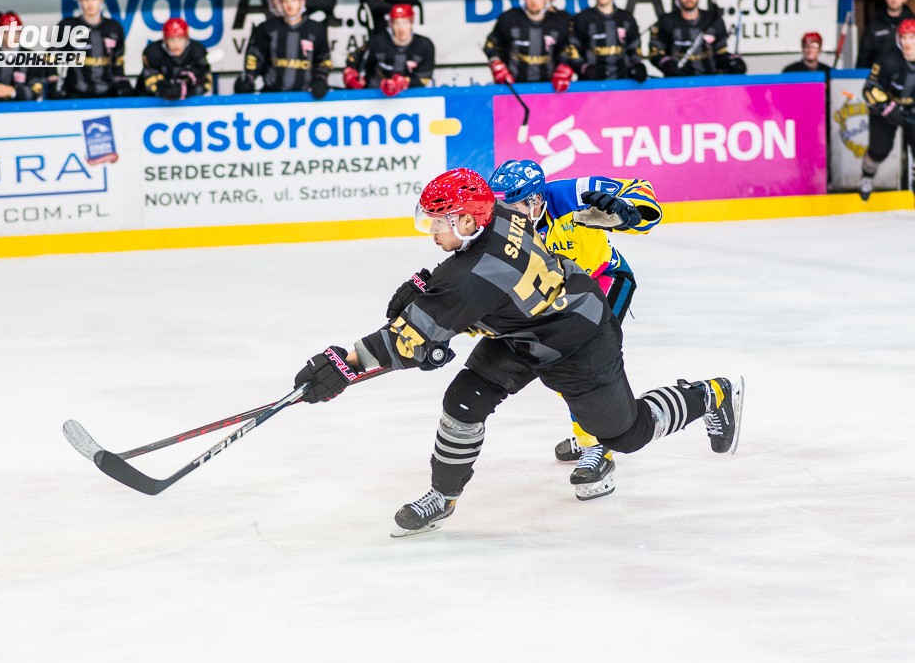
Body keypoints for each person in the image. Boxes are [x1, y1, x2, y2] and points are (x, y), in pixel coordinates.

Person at [292, 168, 744, 537]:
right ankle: (443, 497)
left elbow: (405, 343)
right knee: (463, 402)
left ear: (467, 222)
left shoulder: (472, 277)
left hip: (579, 337)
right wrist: (435, 306)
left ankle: (711, 395)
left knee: (627, 435)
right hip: (523, 332)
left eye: (439, 220)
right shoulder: (504, 213)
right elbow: (477, 292)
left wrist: (342, 365)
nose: (432, 230)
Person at [487, 160, 661, 500]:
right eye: (502, 206)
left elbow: (641, 192)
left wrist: (628, 213)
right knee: (561, 367)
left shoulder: (570, 194)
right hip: (563, 297)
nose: (508, 214)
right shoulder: (503, 227)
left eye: (516, 205)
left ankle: (597, 443)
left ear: (537, 200)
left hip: (604, 280)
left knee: (585, 365)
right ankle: (591, 429)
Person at [859, 18, 915, 202]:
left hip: (912, 110)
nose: (907, 43)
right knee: (879, 150)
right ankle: (867, 176)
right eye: (904, 38)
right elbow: (869, 89)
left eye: (912, 38)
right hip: (886, 110)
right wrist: (888, 107)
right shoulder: (887, 60)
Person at [234, 0, 331, 99]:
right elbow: (254, 57)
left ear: (301, 1)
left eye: (293, 0)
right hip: (271, 96)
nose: (289, 5)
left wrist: (320, 80)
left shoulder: (316, 30)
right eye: (285, 1)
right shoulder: (267, 28)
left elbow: (323, 61)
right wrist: (248, 79)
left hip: (305, 97)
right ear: (280, 3)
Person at [483, 0, 577, 92]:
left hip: (549, 88)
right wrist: (495, 62)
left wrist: (565, 66)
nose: (533, 2)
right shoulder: (509, 18)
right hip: (512, 87)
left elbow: (569, 46)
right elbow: (492, 43)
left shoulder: (561, 20)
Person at [50, 0, 134, 99]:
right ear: (80, 1)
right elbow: (52, 54)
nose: (90, 4)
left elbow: (118, 60)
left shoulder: (114, 27)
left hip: (108, 92)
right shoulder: (67, 26)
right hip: (75, 92)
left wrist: (122, 82)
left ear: (101, 1)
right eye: (86, 0)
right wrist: (53, 78)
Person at [343, 4, 434, 96]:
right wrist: (351, 73)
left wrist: (404, 82)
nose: (401, 28)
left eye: (405, 22)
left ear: (411, 22)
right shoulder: (378, 41)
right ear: (391, 24)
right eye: (397, 23)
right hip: (374, 94)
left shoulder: (424, 45)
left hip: (411, 97)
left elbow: (424, 78)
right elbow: (354, 58)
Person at [648, 0, 746, 77]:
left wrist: (732, 60)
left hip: (710, 82)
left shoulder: (714, 20)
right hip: (678, 84)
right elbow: (655, 53)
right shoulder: (666, 21)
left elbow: (720, 52)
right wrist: (667, 64)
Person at [569, 0, 647, 82]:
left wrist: (637, 65)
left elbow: (634, 48)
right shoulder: (583, 18)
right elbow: (572, 48)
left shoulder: (627, 18)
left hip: (623, 83)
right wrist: (585, 68)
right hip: (591, 84)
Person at [139, 17, 212, 100]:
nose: (176, 44)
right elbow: (149, 81)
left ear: (186, 38)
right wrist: (165, 91)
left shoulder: (198, 51)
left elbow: (206, 82)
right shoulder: (153, 52)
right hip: (153, 103)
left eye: (180, 39)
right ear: (165, 40)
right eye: (172, 40)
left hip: (190, 103)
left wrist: (187, 90)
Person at [857, 0, 915, 68]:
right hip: (879, 72)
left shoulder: (913, 23)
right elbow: (864, 55)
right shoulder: (874, 24)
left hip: (908, 72)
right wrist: (861, 73)